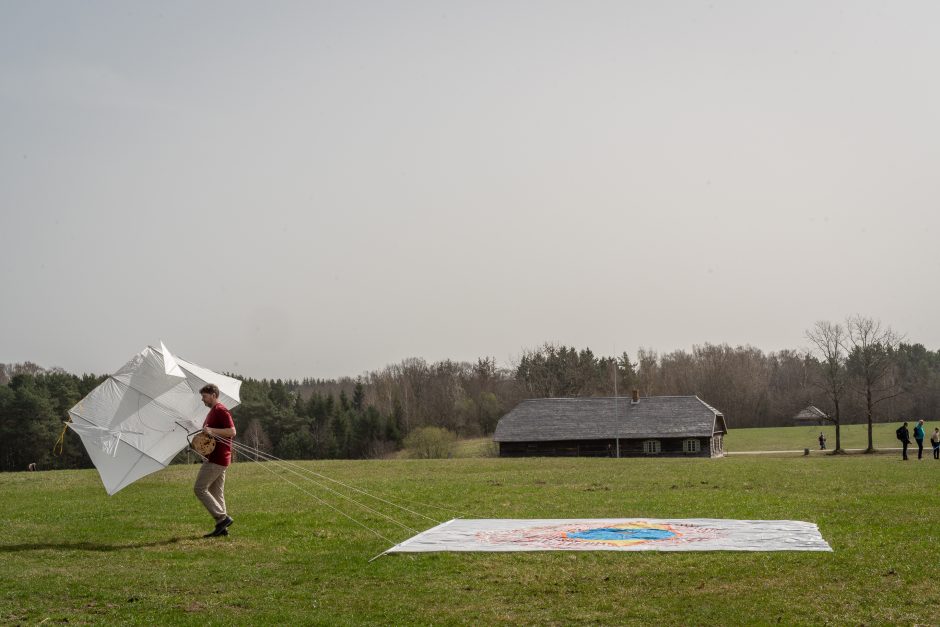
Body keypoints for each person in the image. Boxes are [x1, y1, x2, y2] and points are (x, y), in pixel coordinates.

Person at [193, 383, 236, 538]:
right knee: (215, 491)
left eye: (204, 396)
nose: (202, 400)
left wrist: (212, 430)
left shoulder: (220, 410)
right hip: (217, 457)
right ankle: (221, 528)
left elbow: (232, 431)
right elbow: (210, 434)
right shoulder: (212, 412)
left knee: (199, 488)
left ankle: (222, 518)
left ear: (213, 395)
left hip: (217, 459)